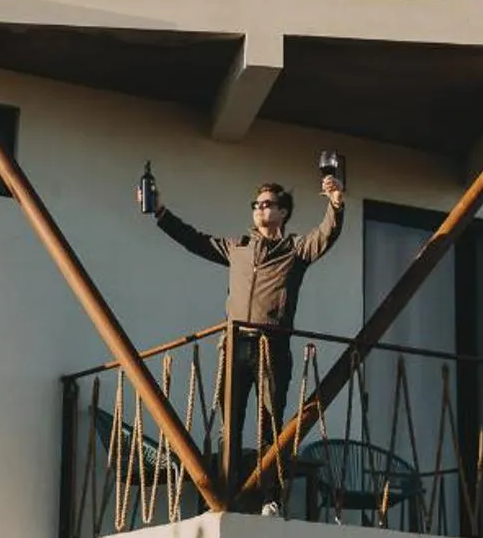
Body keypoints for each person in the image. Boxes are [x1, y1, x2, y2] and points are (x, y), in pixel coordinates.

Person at [143, 167, 347, 500]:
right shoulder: (238, 247)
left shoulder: (296, 249)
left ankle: (270, 498)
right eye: (256, 204)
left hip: (272, 346)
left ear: (282, 211)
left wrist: (336, 205)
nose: (260, 209)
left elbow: (326, 235)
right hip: (235, 345)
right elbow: (195, 240)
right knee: (230, 427)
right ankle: (227, 494)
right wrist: (160, 213)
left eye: (267, 204)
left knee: (269, 425)